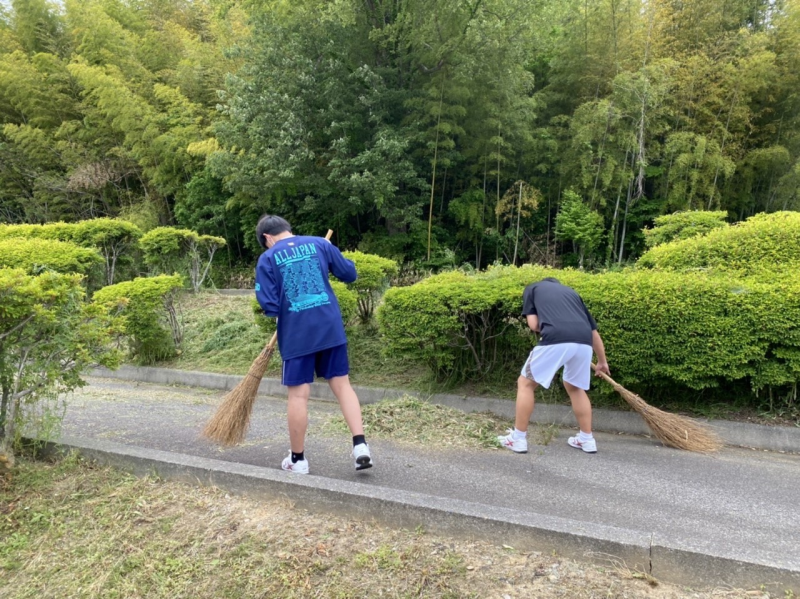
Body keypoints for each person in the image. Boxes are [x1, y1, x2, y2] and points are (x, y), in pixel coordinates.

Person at [254, 215, 372, 474]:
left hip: (297, 334)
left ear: (267, 238)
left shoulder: (268, 258)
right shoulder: (319, 244)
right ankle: (360, 446)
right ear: (287, 229)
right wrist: (329, 254)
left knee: (298, 395)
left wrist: (284, 310)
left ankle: (298, 460)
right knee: (342, 386)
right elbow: (349, 273)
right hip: (330, 327)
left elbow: (269, 305)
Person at [497, 277, 610, 454]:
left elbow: (534, 324)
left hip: (556, 338)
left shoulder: (533, 288)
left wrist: (553, 328)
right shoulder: (572, 293)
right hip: (584, 342)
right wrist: (602, 361)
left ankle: (517, 439)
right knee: (575, 387)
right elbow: (593, 332)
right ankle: (587, 439)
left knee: (525, 383)